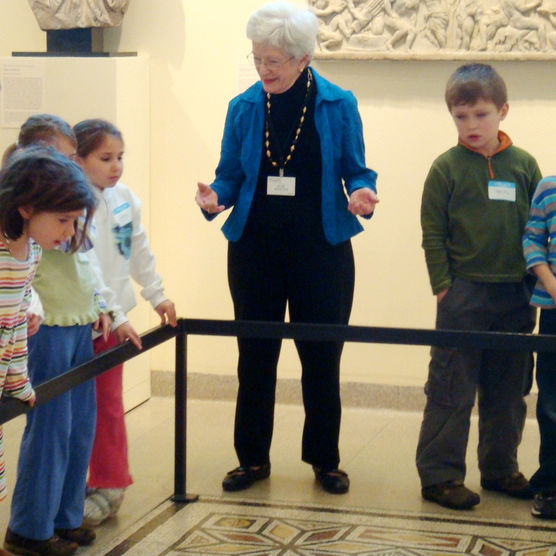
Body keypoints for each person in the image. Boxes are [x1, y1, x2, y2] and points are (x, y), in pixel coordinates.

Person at [196, 1, 378, 495]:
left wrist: (361, 193)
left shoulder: (339, 104)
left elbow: (357, 170)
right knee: (255, 356)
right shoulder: (244, 107)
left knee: (322, 357)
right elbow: (229, 175)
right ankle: (252, 458)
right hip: (255, 251)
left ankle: (325, 459)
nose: (262, 69)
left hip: (322, 250)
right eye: (257, 58)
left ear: (302, 58)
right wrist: (215, 199)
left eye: (273, 60)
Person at [417, 63, 541, 510]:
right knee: (451, 387)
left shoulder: (524, 165)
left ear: (503, 111)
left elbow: (538, 225)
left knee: (509, 390)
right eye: (461, 116)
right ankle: (440, 475)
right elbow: (432, 230)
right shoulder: (445, 168)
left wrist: (535, 280)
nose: (471, 126)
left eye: (481, 115)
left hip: (515, 294)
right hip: (463, 294)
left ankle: (500, 468)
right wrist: (443, 285)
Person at [5, 115, 108, 556]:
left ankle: (62, 516)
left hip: (73, 325)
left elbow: (32, 289)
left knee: (76, 426)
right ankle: (30, 526)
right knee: (49, 429)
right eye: (64, 221)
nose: (70, 232)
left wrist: (105, 308)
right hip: (44, 339)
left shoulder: (31, 248)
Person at [73, 118, 177, 527]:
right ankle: (72, 487)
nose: (116, 166)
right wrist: (110, 313)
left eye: (120, 157)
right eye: (105, 158)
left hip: (112, 326)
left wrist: (157, 295)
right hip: (78, 321)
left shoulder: (125, 199)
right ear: (78, 160)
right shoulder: (71, 204)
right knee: (73, 410)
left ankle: (110, 483)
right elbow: (85, 267)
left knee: (108, 406)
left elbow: (137, 251)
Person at [523, 177, 556, 519]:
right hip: (554, 312)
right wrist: (549, 282)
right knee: (551, 402)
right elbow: (532, 240)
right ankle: (551, 484)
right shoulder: (548, 188)